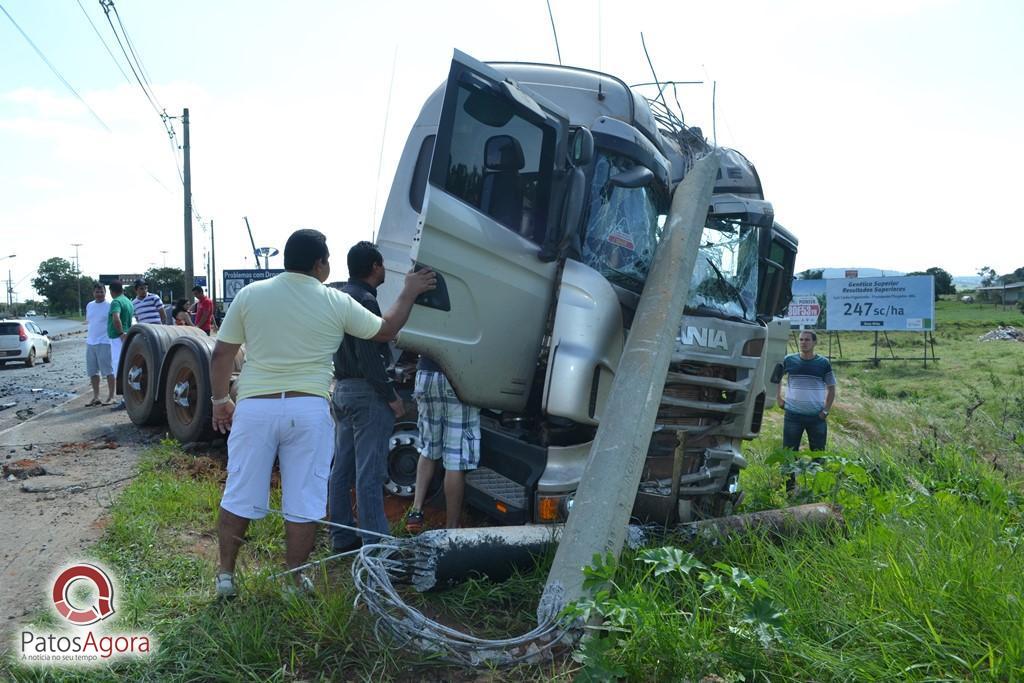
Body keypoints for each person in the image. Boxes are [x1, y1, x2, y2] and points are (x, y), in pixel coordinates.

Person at [208, 229, 434, 598]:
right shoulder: (333, 301)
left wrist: (220, 401)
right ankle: (295, 581)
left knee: (239, 494)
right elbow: (386, 330)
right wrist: (408, 291)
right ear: (320, 264)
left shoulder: (251, 295)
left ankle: (226, 578)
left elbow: (221, 354)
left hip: (255, 409)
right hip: (306, 409)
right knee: (303, 500)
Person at [328, 242, 406, 552]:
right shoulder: (366, 300)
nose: (385, 269)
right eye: (383, 264)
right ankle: (376, 546)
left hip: (342, 389)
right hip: (366, 392)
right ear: (375, 266)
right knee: (370, 474)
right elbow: (370, 356)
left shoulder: (340, 296)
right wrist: (391, 396)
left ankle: (341, 537)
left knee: (341, 469)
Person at [404, 357, 480, 532]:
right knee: (455, 458)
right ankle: (451, 526)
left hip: (427, 374)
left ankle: (416, 512)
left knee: (428, 447)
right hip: (460, 375)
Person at [777, 330, 837, 452]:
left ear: (814, 342)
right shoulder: (789, 360)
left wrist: (825, 411)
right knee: (789, 453)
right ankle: (790, 472)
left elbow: (832, 388)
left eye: (807, 340)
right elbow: (776, 379)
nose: (803, 342)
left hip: (816, 417)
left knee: (818, 454)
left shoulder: (823, 363)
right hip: (792, 415)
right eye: (801, 339)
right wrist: (778, 399)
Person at [84, 283, 114, 406]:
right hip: (91, 342)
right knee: (92, 372)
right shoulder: (89, 305)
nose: (99, 294)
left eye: (101, 291)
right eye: (97, 291)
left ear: (105, 292)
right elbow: (90, 322)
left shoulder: (110, 306)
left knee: (108, 371)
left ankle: (111, 396)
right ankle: (96, 397)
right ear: (93, 293)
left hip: (105, 342)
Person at [106, 281, 134, 410]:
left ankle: (125, 399)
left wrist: (121, 332)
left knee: (119, 369)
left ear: (112, 290)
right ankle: (129, 398)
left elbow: (116, 318)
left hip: (118, 338)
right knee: (127, 366)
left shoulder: (116, 302)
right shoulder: (128, 301)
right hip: (128, 335)